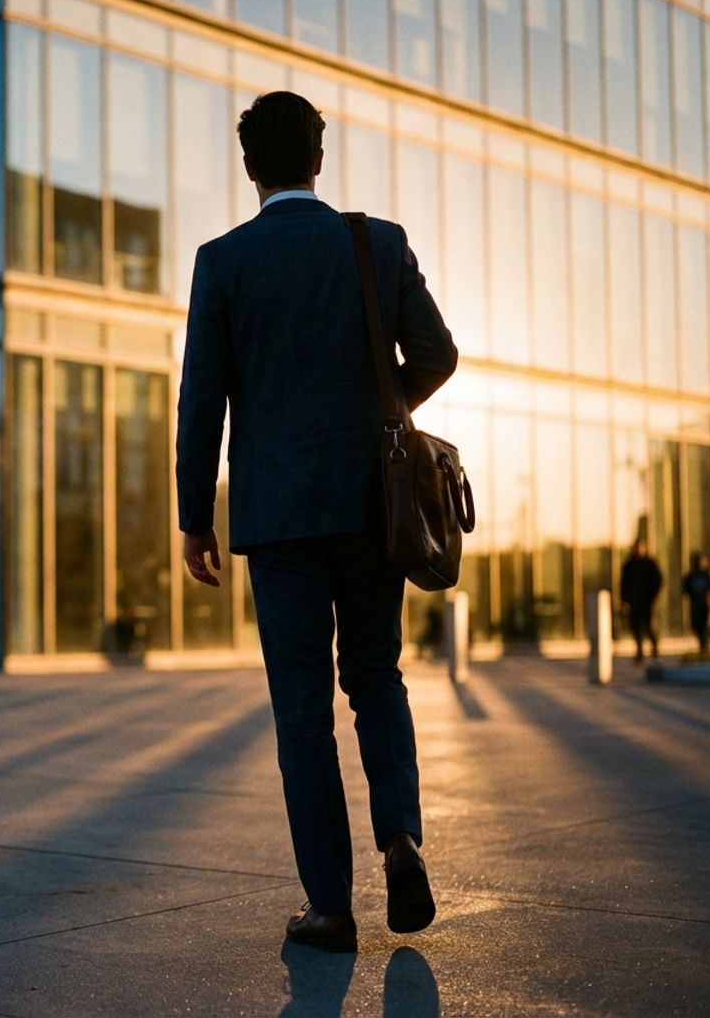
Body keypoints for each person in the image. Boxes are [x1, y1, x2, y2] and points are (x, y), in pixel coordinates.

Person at [176, 92, 458, 952]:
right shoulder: (377, 243)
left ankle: (330, 909)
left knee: (301, 707)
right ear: (319, 158)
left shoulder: (224, 261)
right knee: (376, 677)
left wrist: (196, 517)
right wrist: (380, 416)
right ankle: (402, 840)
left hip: (281, 516)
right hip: (373, 505)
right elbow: (439, 354)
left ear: (251, 167)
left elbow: (202, 402)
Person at [619, 540, 663, 662]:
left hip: (647, 602)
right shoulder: (629, 565)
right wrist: (624, 600)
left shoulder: (650, 564)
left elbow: (658, 582)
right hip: (634, 602)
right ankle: (640, 652)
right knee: (635, 628)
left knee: (648, 627)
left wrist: (652, 597)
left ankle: (654, 650)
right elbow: (624, 584)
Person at [682, 552, 710, 656]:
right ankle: (702, 646)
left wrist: (707, 594)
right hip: (695, 604)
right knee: (698, 626)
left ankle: (705, 647)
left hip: (706, 605)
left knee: (706, 627)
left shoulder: (707, 575)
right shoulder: (691, 575)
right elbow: (685, 589)